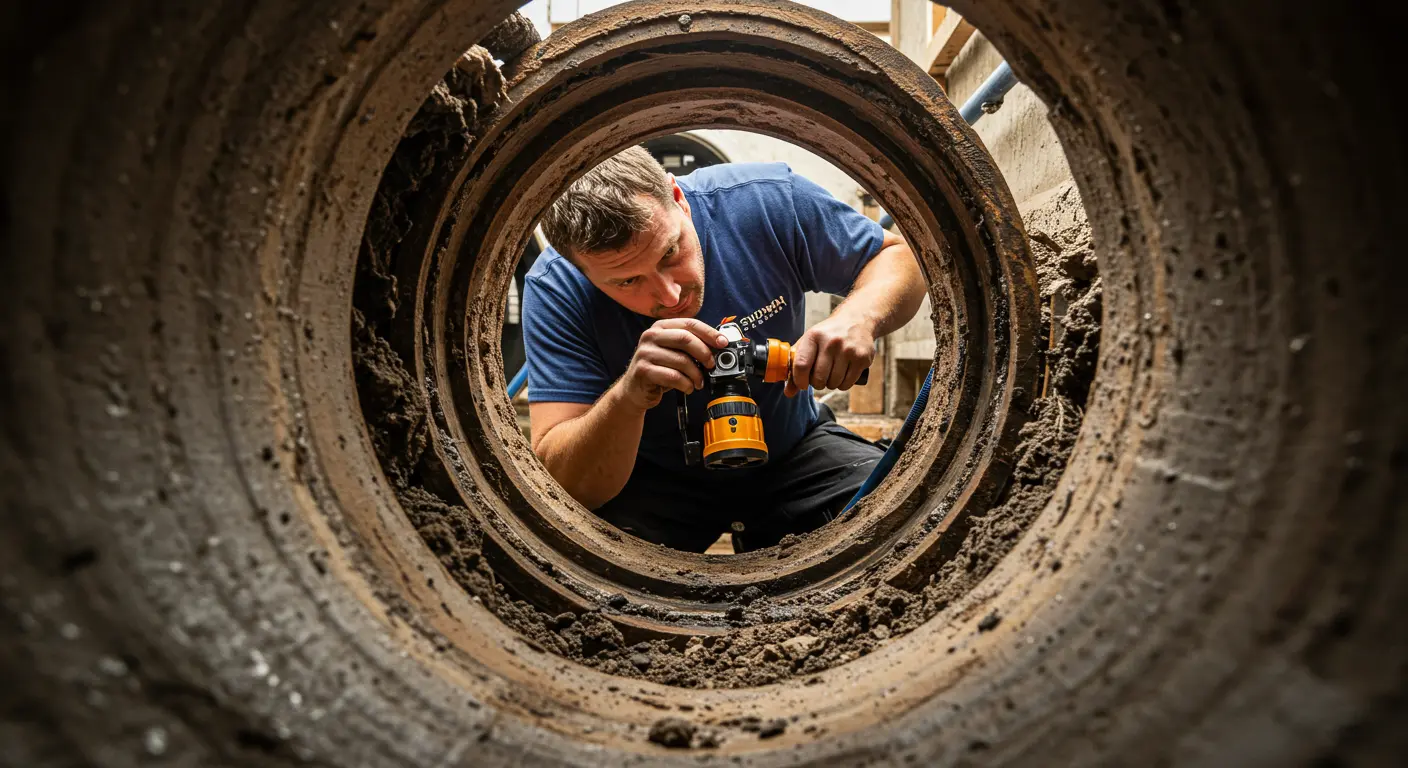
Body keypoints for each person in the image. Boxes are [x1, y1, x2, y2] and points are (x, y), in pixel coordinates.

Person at [521, 146, 925, 552]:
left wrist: (857, 316)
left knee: (903, 517)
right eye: (627, 282)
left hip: (791, 448)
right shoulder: (556, 288)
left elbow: (900, 257)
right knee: (577, 561)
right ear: (580, 268)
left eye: (670, 253)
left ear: (677, 198)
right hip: (651, 475)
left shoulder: (765, 202)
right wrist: (628, 398)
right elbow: (560, 478)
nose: (669, 294)